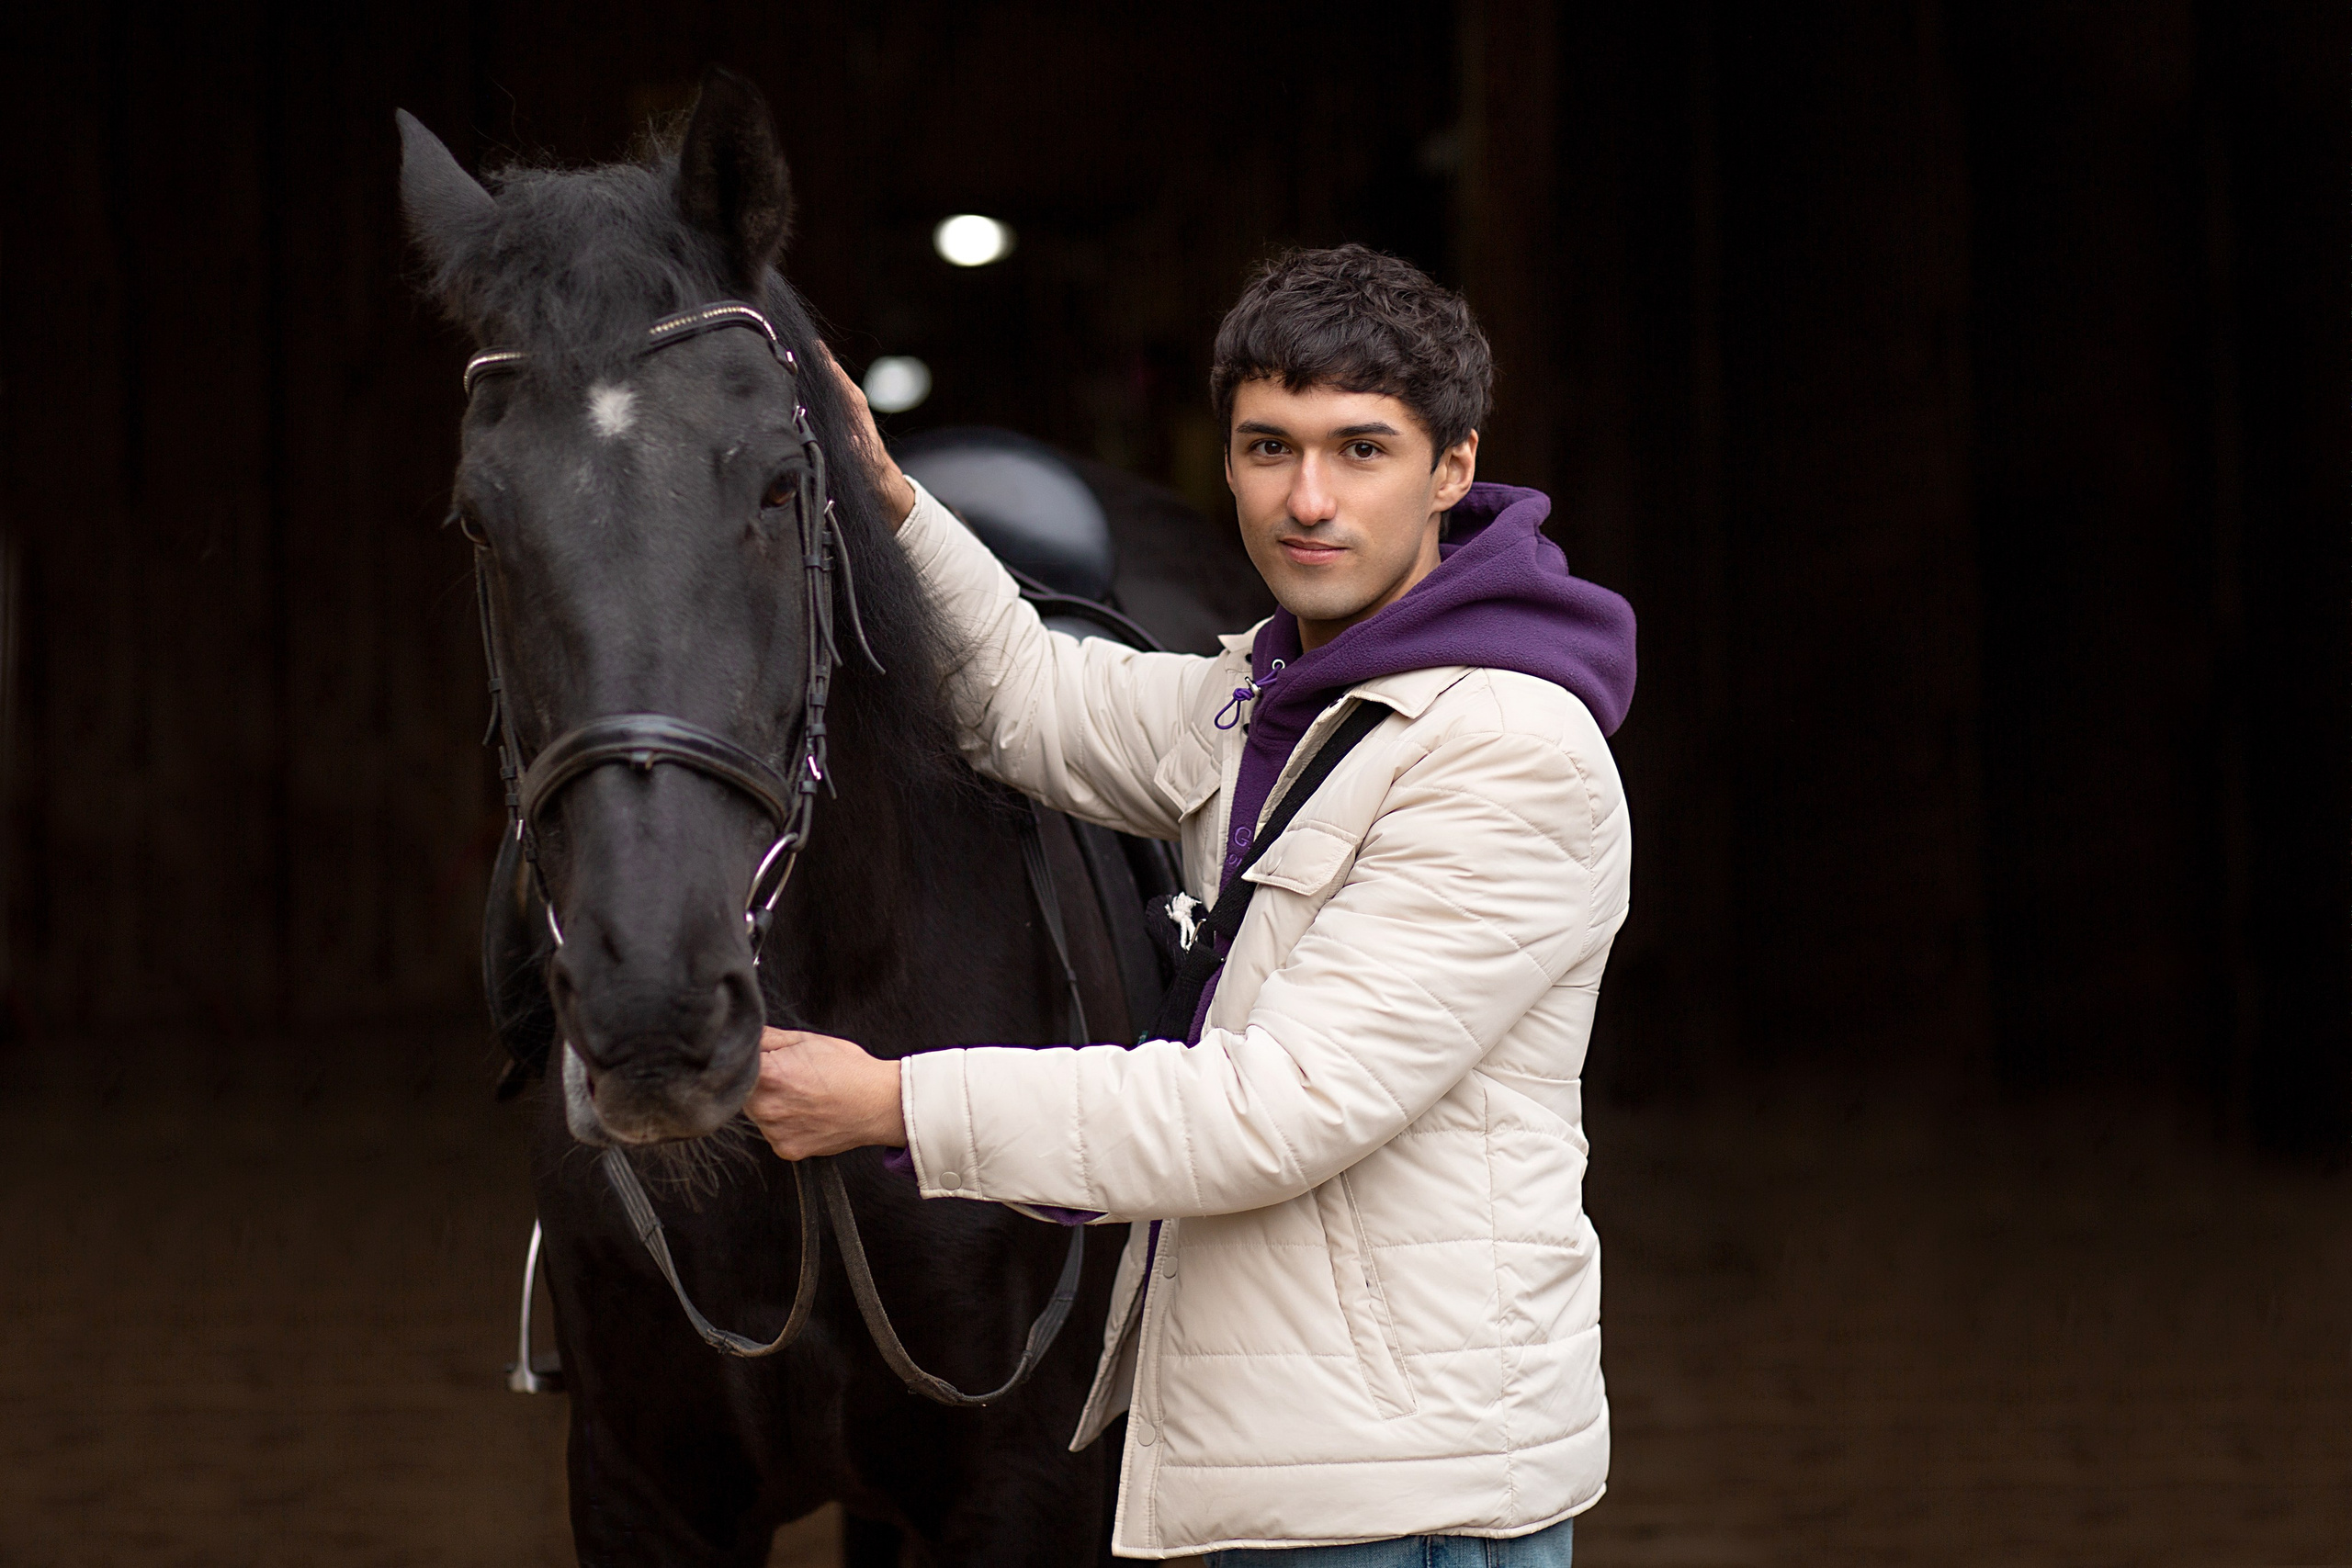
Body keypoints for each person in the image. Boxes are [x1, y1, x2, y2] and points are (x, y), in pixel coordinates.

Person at [749, 244, 1636, 1564]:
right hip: (1303, 1466)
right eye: (1268, 448)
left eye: (1362, 450)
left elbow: (1269, 1112)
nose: (1309, 499)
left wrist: (890, 1104)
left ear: (1453, 469)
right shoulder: (1283, 698)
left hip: (1402, 1504)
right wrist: (889, 501)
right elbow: (1032, 706)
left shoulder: (1501, 751)